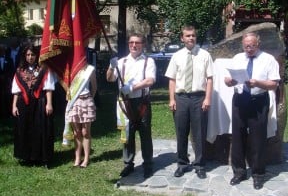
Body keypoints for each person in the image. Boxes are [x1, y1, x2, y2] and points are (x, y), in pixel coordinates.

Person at [224, 31, 280, 189]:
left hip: (258, 100)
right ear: (243, 45)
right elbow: (227, 81)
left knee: (258, 138)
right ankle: (239, 172)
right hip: (240, 100)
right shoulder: (237, 58)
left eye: (252, 46)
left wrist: (258, 83)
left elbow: (274, 84)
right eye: (246, 46)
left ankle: (258, 174)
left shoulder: (268, 60)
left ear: (258, 44)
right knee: (238, 136)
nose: (249, 49)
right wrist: (229, 81)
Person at [165, 25, 213, 179]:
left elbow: (210, 79)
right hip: (181, 98)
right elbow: (172, 79)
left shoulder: (205, 55)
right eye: (187, 36)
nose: (191, 38)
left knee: (199, 133)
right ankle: (182, 163)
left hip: (199, 97)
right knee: (181, 132)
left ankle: (199, 165)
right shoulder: (176, 56)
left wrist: (207, 98)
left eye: (193, 35)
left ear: (196, 37)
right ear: (182, 38)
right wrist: (172, 99)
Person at [106, 33, 156, 179]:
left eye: (137, 43)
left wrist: (132, 88)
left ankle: (148, 164)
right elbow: (109, 79)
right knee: (128, 134)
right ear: (129, 44)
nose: (134, 45)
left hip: (142, 103)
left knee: (145, 134)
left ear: (143, 45)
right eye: (131, 42)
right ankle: (129, 164)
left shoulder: (148, 61)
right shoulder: (121, 62)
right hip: (125, 103)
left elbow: (150, 81)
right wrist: (110, 67)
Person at [11, 44, 55, 167]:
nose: (30, 57)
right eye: (28, 55)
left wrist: (49, 104)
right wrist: (14, 106)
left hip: (40, 102)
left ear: (37, 56)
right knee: (25, 128)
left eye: (33, 55)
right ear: (25, 56)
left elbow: (49, 88)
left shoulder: (44, 69)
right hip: (24, 103)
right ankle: (28, 156)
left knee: (41, 129)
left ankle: (43, 157)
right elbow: (16, 91)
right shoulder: (19, 71)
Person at [66, 64, 97, 168]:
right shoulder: (70, 68)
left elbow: (94, 86)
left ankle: (87, 159)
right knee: (76, 132)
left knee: (85, 132)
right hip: (74, 101)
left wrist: (89, 99)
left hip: (86, 100)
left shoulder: (89, 69)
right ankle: (77, 158)